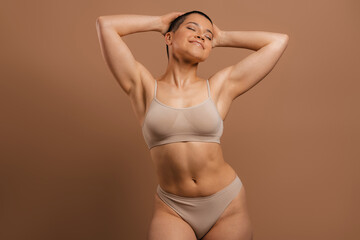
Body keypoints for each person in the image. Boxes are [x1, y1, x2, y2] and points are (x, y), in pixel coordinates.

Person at [96, 10, 288, 240]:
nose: (201, 36)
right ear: (169, 37)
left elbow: (277, 42)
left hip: (226, 205)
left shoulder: (219, 87)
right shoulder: (144, 87)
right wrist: (158, 23)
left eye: (208, 36)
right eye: (192, 28)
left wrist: (222, 37)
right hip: (173, 208)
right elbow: (105, 25)